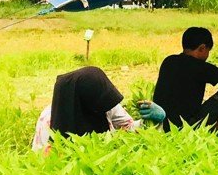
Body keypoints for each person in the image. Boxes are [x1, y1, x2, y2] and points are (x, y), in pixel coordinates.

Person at [30, 65, 165, 152]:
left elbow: (128, 129)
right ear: (86, 101)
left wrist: (150, 121)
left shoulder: (105, 104)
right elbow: (41, 160)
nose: (106, 108)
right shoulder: (48, 120)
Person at [152, 27, 218, 129]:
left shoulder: (169, 61)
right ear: (202, 48)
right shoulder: (201, 67)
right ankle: (216, 130)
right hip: (186, 125)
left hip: (160, 122)